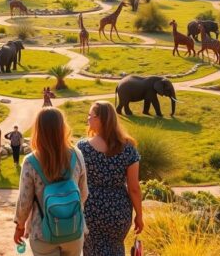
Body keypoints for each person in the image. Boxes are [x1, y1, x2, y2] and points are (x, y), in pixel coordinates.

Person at [14, 107, 88, 256]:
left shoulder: (31, 162)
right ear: (62, 128)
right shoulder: (76, 155)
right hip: (73, 230)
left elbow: (24, 201)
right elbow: (83, 193)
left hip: (42, 233)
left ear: (38, 130)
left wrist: (20, 226)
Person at [78, 101, 143, 256]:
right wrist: (139, 215)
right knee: (116, 249)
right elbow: (134, 188)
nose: (87, 119)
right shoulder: (129, 148)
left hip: (90, 209)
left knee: (91, 250)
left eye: (90, 115)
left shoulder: (82, 148)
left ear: (100, 119)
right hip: (119, 211)